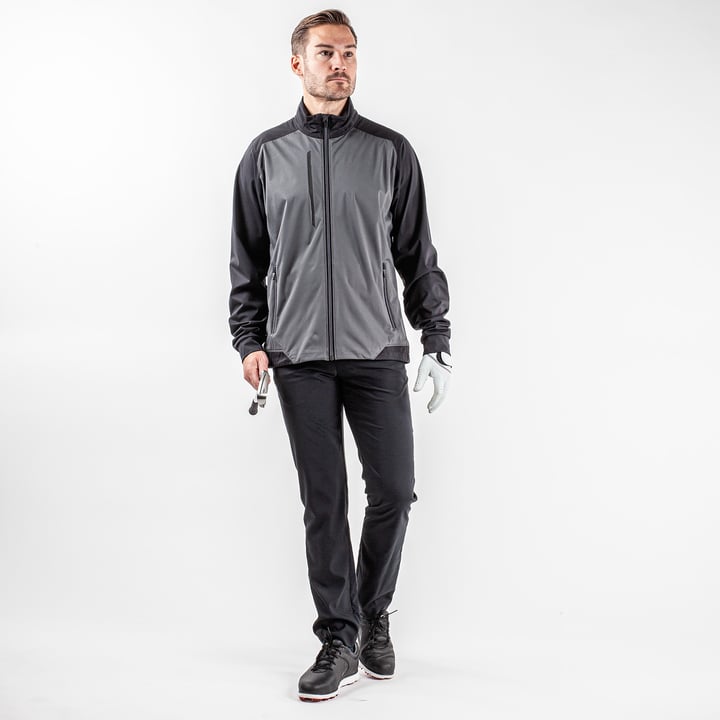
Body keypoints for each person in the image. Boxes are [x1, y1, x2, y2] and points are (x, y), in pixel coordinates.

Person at [228, 9, 452, 702]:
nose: (339, 64)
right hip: (297, 356)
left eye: (349, 52)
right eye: (325, 52)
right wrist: (249, 340)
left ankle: (371, 613)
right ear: (298, 63)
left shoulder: (390, 151)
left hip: (376, 347)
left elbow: (416, 252)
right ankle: (337, 637)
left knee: (394, 492)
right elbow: (247, 261)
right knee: (322, 502)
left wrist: (436, 336)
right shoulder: (265, 155)